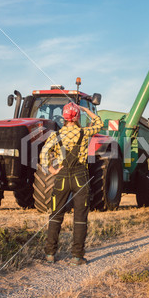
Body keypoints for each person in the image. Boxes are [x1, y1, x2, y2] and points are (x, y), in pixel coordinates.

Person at [40, 102, 103, 265]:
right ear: (76, 117)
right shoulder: (84, 132)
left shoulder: (57, 134)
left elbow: (44, 152)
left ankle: (50, 254)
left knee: (55, 215)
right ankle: (77, 256)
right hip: (80, 177)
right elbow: (99, 123)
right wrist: (87, 110)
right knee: (80, 216)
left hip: (61, 177)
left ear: (64, 117)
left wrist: (51, 170)